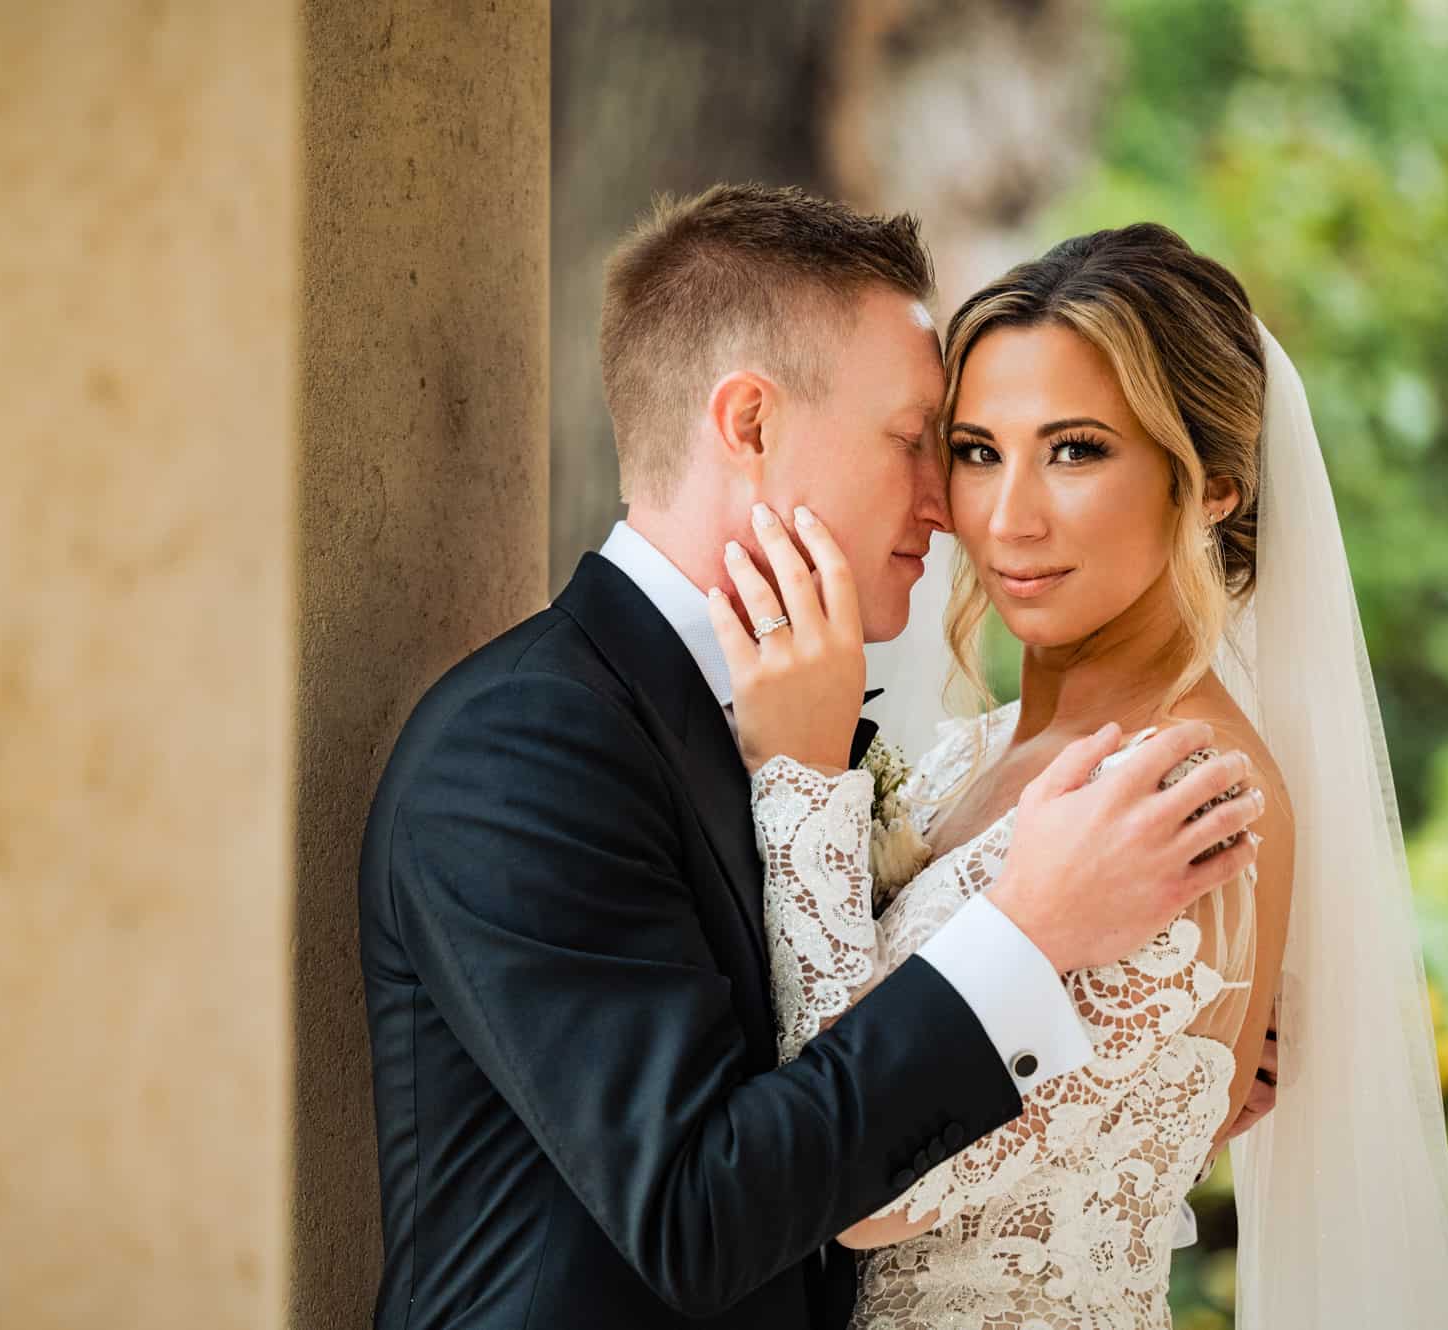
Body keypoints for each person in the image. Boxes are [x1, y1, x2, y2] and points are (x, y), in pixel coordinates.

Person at [357, 187, 1264, 1329]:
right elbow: (699, 1211)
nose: (956, 510)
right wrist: (1026, 935)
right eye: (920, 444)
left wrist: (1153, 1066)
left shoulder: (783, 721)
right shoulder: (525, 747)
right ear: (746, 425)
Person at [720, 223, 1448, 1328]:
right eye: (976, 450)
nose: (1004, 517)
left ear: (1212, 485)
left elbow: (867, 1195)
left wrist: (797, 779)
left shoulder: (1185, 797)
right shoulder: (967, 757)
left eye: (1074, 449)